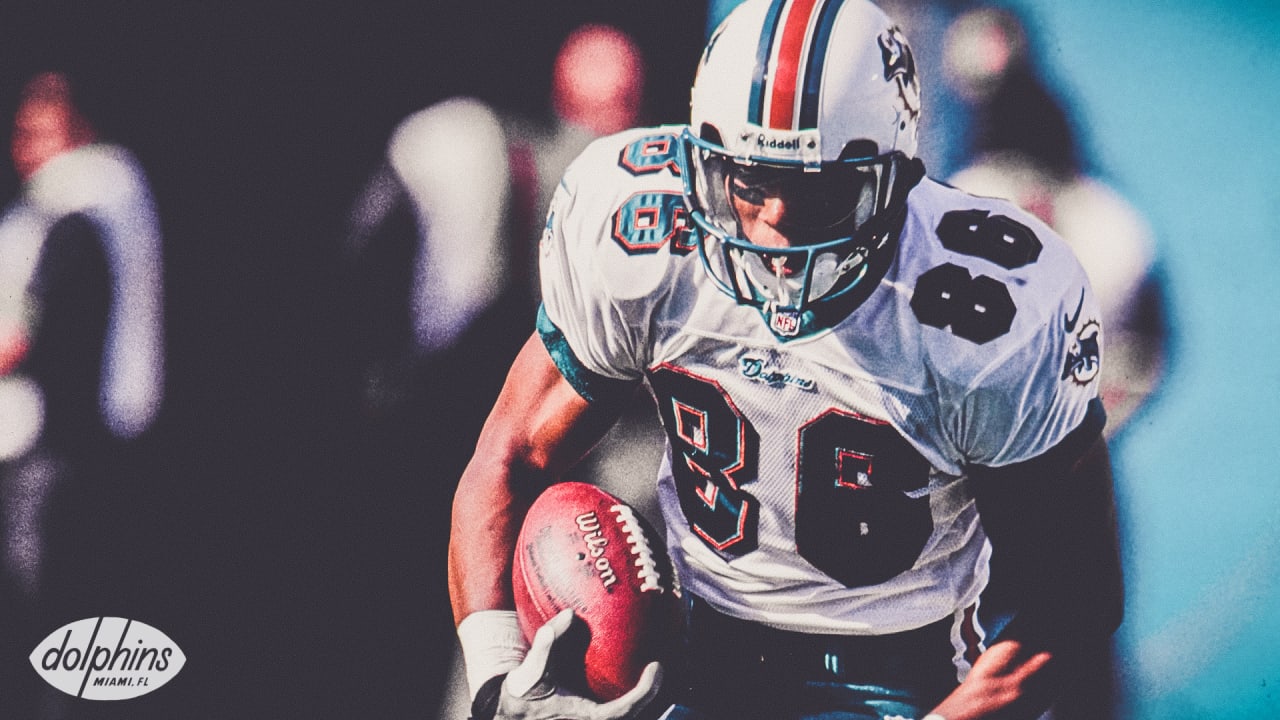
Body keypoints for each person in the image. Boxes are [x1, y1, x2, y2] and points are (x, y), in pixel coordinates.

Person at [448, 1, 1123, 719]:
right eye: (749, 183)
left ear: (893, 179)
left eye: (819, 192)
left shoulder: (985, 309)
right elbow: (513, 453)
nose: (773, 227)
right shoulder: (637, 231)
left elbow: (1072, 601)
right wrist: (499, 683)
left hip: (900, 675)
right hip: (688, 644)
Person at [0, 69, 165, 717]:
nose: (27, 137)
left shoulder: (82, 202)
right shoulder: (111, 201)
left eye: (46, 123)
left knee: (49, 628)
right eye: (23, 123)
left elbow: (32, 331)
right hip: (84, 447)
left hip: (55, 451)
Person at [942, 5, 1166, 437]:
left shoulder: (1112, 229)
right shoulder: (1116, 223)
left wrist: (1073, 434)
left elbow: (1147, 345)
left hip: (1048, 447)